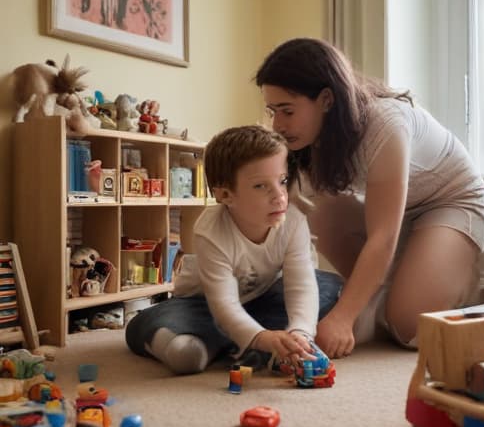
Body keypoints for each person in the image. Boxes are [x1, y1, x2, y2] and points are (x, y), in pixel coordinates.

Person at [255, 37, 484, 359]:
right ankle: (392, 289)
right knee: (315, 211)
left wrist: (342, 317)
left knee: (409, 326)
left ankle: (451, 280)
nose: (277, 124)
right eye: (272, 111)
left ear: (326, 100)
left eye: (287, 111)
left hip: (450, 203)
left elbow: (382, 235)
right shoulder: (307, 140)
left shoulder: (385, 123)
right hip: (399, 211)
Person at [125, 125, 342, 375]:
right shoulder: (211, 229)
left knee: (329, 285)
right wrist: (262, 337)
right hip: (202, 305)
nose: (279, 196)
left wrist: (300, 334)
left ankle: (244, 340)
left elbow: (301, 285)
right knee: (181, 352)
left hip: (261, 299)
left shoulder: (293, 221)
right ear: (226, 195)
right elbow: (224, 305)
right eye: (261, 186)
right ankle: (242, 340)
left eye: (282, 181)